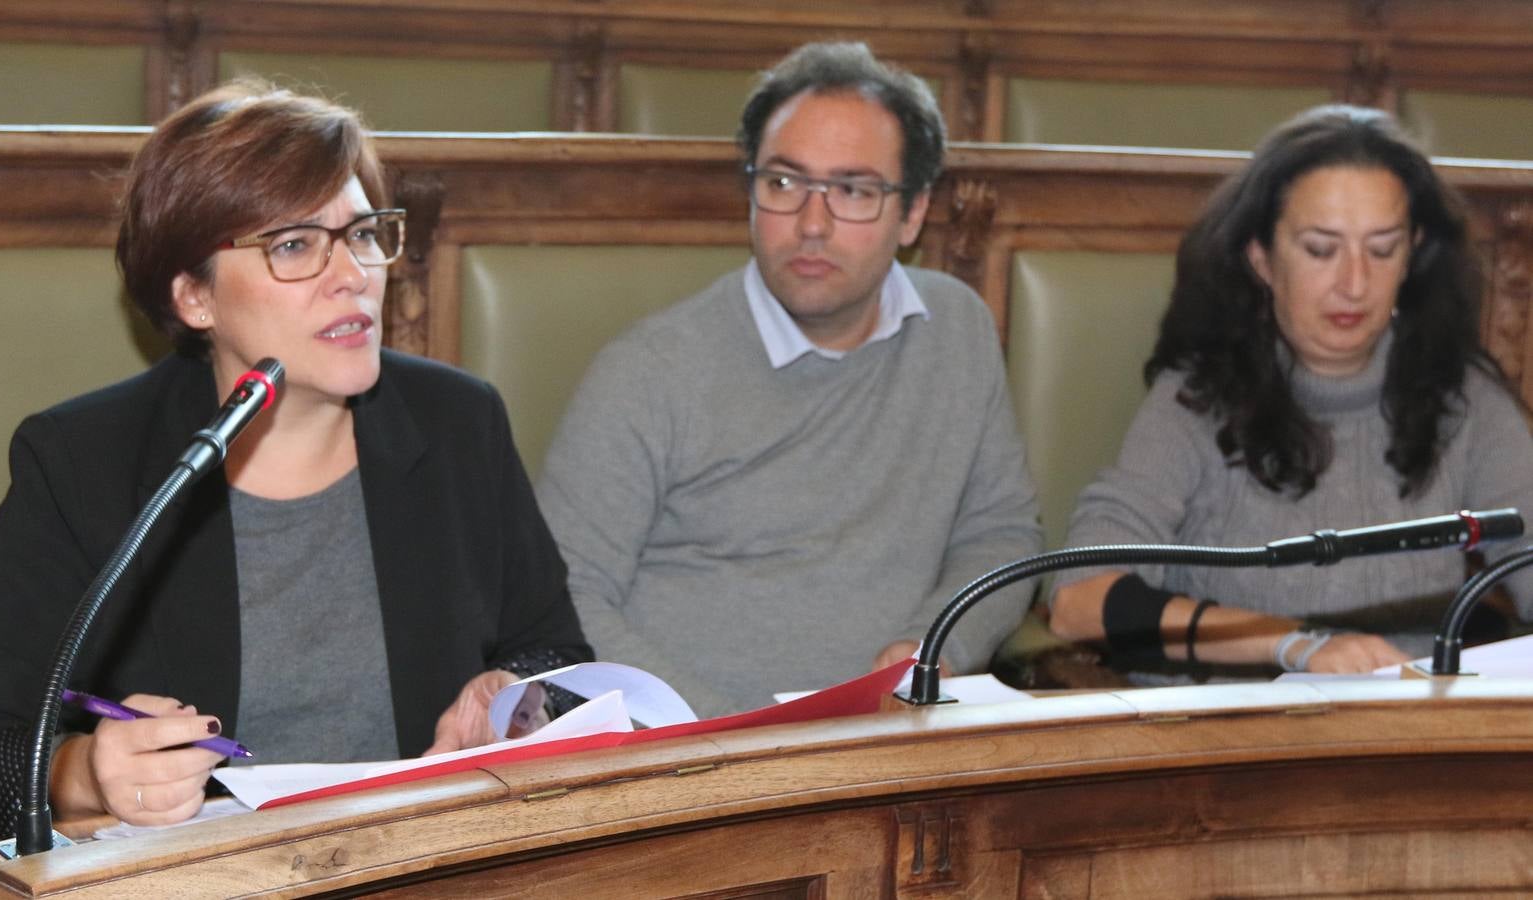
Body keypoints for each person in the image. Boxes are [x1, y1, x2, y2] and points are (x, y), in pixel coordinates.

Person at [0, 82, 590, 880]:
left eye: (362, 234)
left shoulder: (457, 422)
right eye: (295, 245)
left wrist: (512, 696)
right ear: (194, 296)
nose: (352, 275)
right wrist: (86, 774)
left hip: (417, 868)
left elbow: (557, 653)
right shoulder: (82, 460)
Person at [535, 42, 1042, 717]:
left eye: (853, 191)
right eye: (782, 183)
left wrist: (935, 646)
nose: (811, 224)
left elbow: (1000, 533)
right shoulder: (651, 371)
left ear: (914, 212)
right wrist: (727, 735)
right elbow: (562, 601)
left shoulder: (956, 328)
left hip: (896, 735)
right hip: (694, 746)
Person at [1048, 104, 1533, 678]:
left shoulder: (1465, 399)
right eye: (1321, 250)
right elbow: (1078, 601)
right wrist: (1292, 644)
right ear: (1261, 257)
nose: (1355, 284)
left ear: (1413, 253)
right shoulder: (1198, 399)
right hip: (1231, 721)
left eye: (1382, 250)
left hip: (1414, 721)